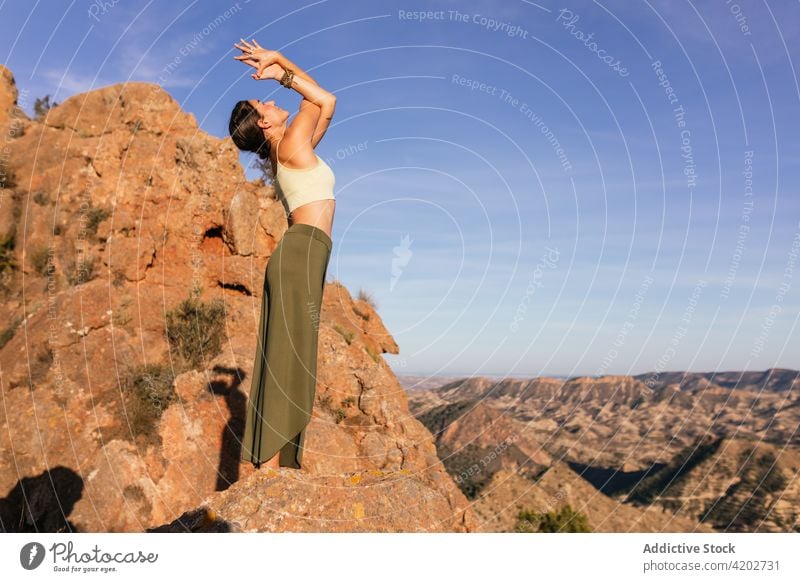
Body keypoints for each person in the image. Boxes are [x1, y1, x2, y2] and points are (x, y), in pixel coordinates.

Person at [228, 39, 337, 470]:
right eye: (264, 102)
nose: (273, 100)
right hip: (300, 254)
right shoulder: (290, 143)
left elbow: (324, 106)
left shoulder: (290, 147)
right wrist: (281, 68)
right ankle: (270, 472)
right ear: (265, 124)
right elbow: (323, 96)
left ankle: (274, 466)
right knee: (289, 356)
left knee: (287, 354)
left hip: (303, 254)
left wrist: (280, 65)